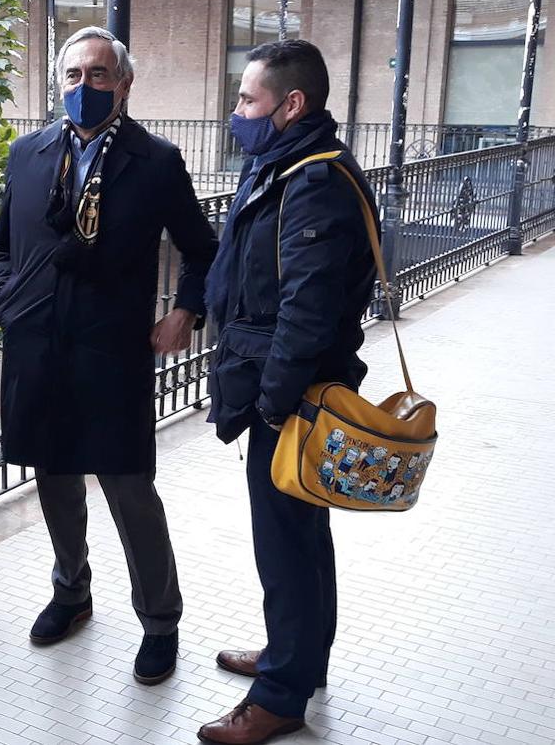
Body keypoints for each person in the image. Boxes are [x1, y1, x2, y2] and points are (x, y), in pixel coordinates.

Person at [0, 26, 218, 685]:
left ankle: (160, 620)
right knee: (54, 480)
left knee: (127, 488)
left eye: (98, 75)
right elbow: (3, 242)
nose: (83, 87)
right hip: (38, 347)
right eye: (72, 75)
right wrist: (5, 299)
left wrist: (184, 310)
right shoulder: (27, 154)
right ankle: (71, 593)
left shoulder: (157, 161)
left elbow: (202, 248)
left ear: (123, 83)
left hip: (111, 351)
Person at [198, 39, 378, 744]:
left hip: (295, 393)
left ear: (291, 104)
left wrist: (273, 401)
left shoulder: (311, 181)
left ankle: (278, 697)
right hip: (285, 386)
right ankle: (296, 658)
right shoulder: (285, 166)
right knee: (302, 533)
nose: (237, 113)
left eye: (247, 100)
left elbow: (305, 309)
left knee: (285, 541)